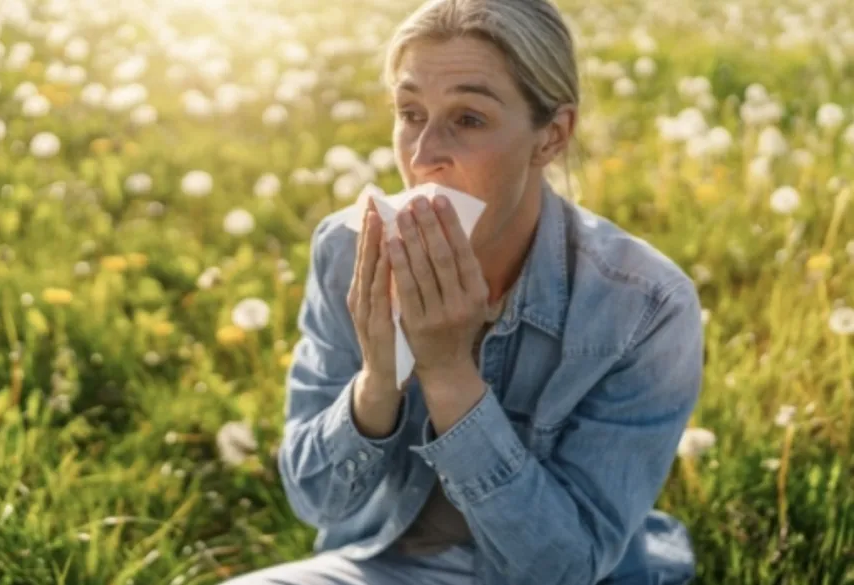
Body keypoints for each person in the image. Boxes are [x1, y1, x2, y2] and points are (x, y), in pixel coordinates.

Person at [225, 0, 704, 583]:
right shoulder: (348, 251)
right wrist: (378, 382)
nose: (424, 157)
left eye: (468, 119)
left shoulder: (645, 307)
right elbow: (317, 502)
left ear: (550, 138)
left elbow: (564, 567)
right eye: (410, 113)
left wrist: (450, 373)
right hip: (387, 565)